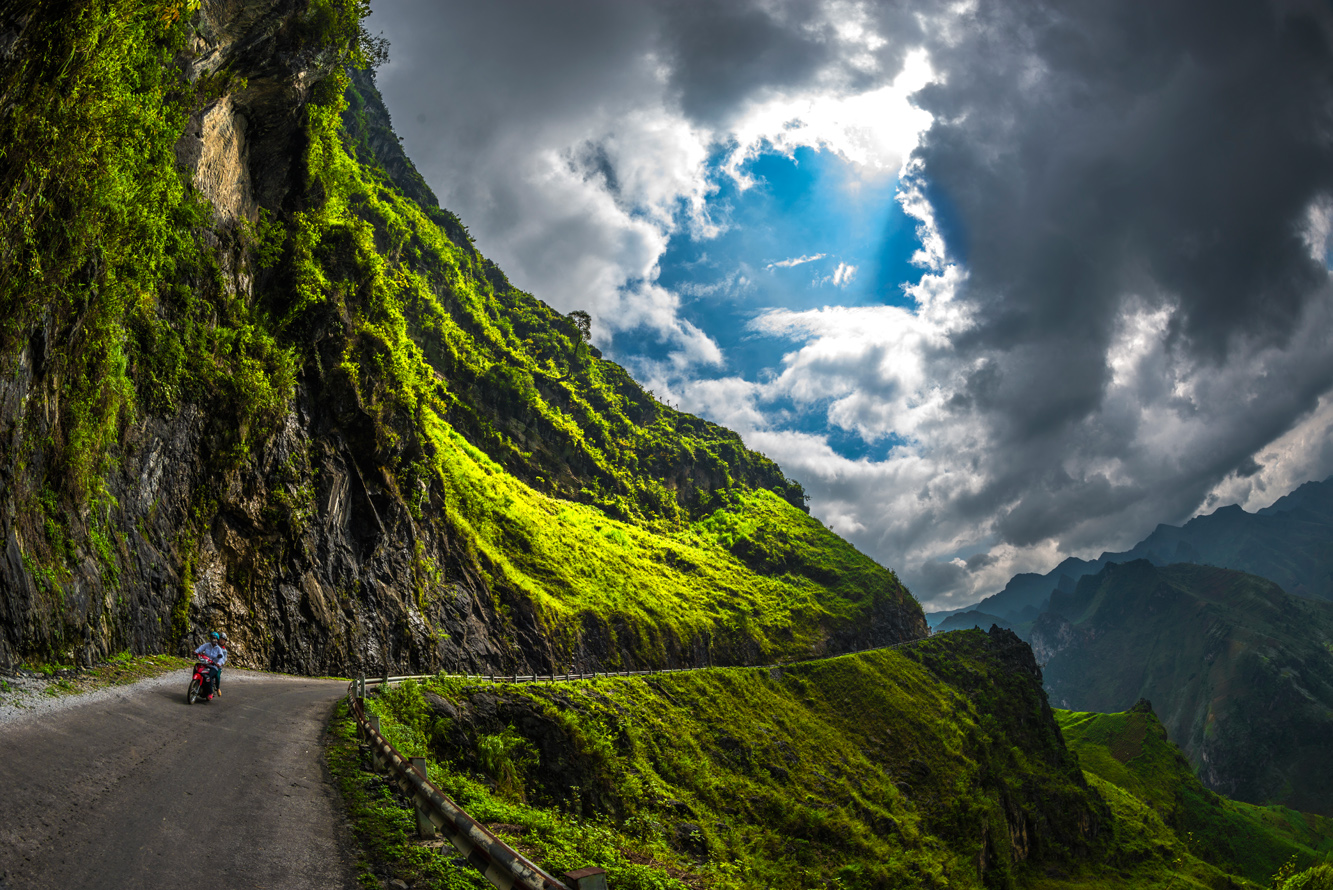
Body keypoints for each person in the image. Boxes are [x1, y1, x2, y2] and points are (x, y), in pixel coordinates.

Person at [194, 632, 227, 700]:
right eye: (212, 638)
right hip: (205, 664)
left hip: (213, 666)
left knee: (208, 676)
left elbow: (222, 658)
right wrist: (196, 652)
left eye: (215, 638)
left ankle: (211, 692)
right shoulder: (207, 645)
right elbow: (200, 648)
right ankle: (195, 683)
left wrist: (219, 663)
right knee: (196, 666)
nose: (213, 640)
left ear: (217, 640)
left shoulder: (219, 649)